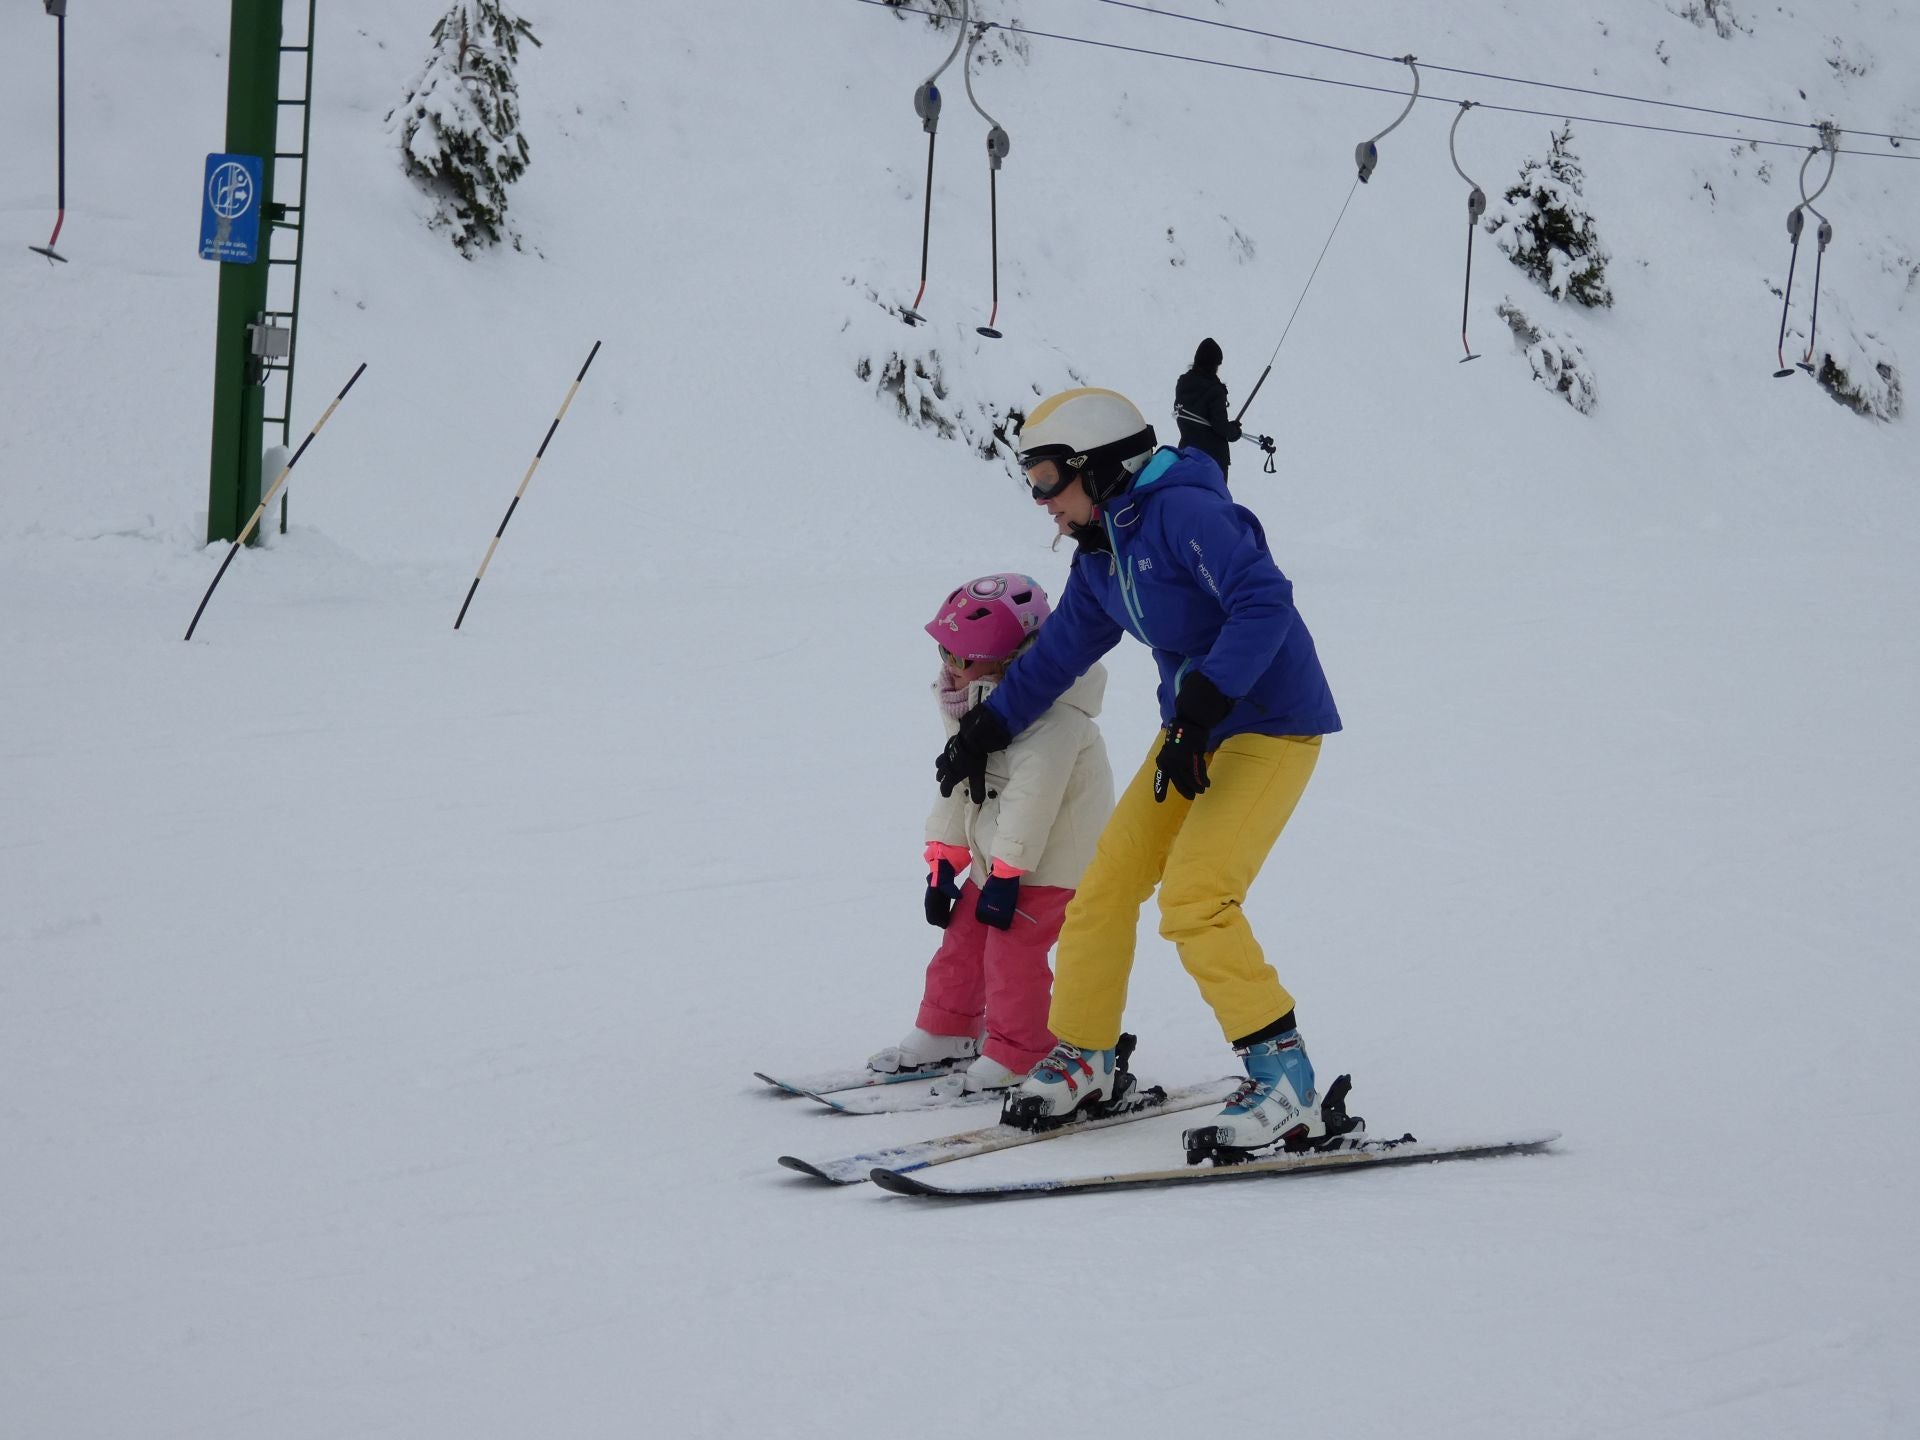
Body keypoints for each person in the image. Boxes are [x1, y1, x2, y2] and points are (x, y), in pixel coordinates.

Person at [934, 388, 1342, 1161]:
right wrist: (987, 727)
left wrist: (1204, 701)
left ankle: (1287, 1084)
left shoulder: (1185, 516)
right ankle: (1085, 1057)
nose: (1042, 500)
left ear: (1099, 467)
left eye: (1050, 478)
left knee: (1196, 897)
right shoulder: (1102, 555)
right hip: (1192, 730)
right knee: (1104, 887)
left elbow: (1265, 600)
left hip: (1269, 724)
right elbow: (1058, 656)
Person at [870, 574, 1114, 1094]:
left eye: (961, 657)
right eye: (944, 651)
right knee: (962, 937)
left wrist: (1006, 875)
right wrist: (943, 861)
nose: (948, 667)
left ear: (1007, 659)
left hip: (1051, 864)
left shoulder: (1055, 719)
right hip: (1000, 857)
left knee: (1013, 952)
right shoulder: (973, 706)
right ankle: (949, 1029)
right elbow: (957, 785)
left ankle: (1021, 1051)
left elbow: (1032, 802)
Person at [1173, 337, 1241, 477]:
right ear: (1213, 365)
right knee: (1214, 498)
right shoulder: (1215, 391)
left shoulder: (1183, 383)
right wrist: (1234, 431)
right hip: (1212, 460)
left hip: (1187, 454)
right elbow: (1220, 427)